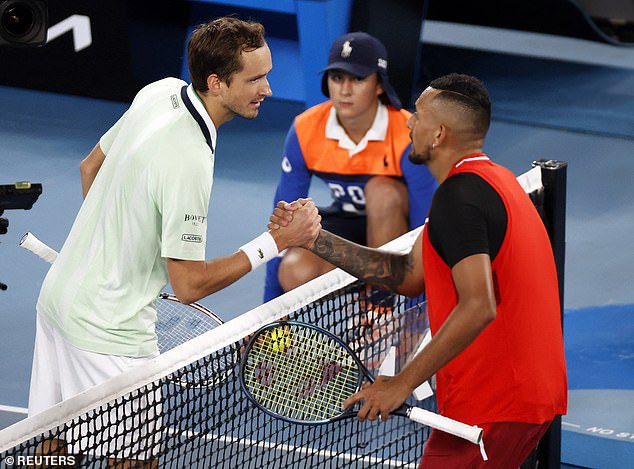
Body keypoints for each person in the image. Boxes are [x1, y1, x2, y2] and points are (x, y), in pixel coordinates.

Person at [28, 17, 321, 467]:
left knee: (50, 453)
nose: (268, 89)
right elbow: (189, 286)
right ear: (216, 83)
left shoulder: (159, 91)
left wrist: (118, 254)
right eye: (255, 79)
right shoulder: (190, 159)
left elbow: (91, 168)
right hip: (111, 333)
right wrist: (275, 240)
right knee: (136, 460)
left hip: (58, 301)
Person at [271, 73, 567, 467]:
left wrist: (401, 382)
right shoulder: (493, 182)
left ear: (439, 133)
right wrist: (315, 239)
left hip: (492, 406)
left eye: (420, 115)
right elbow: (408, 275)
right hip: (522, 397)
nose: (409, 121)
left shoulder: (458, 198)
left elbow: (479, 305)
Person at [263, 31, 436, 302]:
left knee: (382, 191)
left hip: (398, 231)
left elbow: (425, 228)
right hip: (345, 225)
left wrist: (418, 313)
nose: (345, 89)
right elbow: (284, 222)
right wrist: (267, 315)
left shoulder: (407, 133)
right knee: (294, 270)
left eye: (357, 79)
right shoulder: (305, 130)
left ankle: (381, 308)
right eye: (337, 77)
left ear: (379, 85)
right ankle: (362, 292)